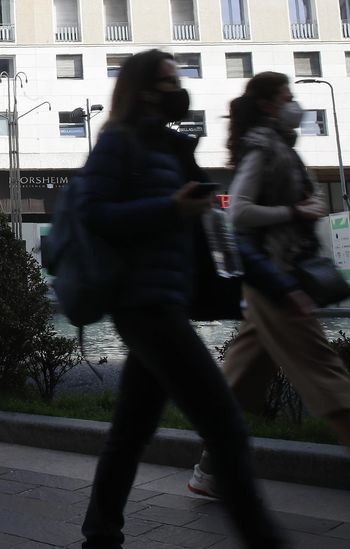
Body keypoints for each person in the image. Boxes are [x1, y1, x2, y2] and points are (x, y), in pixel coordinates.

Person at [76, 50, 283, 549]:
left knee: (130, 431)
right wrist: (169, 207)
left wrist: (280, 286)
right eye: (172, 79)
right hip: (142, 305)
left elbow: (214, 225)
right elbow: (92, 213)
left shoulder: (174, 148)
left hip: (167, 301)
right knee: (225, 426)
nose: (180, 87)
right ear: (146, 90)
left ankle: (100, 535)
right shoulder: (117, 144)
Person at [188, 72, 350, 498]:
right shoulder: (263, 146)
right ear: (268, 104)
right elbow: (237, 213)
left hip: (270, 279)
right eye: (287, 96)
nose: (295, 103)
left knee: (241, 379)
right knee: (325, 373)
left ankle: (210, 468)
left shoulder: (279, 147)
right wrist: (295, 212)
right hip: (277, 278)